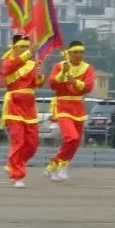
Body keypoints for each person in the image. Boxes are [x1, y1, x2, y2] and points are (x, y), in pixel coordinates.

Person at [0, 34, 42, 187]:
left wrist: (40, 75)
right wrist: (30, 53)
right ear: (14, 48)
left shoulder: (32, 64)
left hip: (29, 106)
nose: (25, 50)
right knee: (18, 141)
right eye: (21, 47)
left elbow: (36, 84)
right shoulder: (7, 62)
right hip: (14, 105)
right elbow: (9, 69)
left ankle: (14, 162)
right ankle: (17, 175)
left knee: (32, 144)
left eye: (26, 47)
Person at [46, 41, 96, 182]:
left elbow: (89, 86)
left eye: (81, 52)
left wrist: (75, 82)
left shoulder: (88, 68)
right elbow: (52, 84)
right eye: (75, 52)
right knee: (71, 137)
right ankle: (62, 164)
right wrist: (62, 73)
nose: (79, 55)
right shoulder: (59, 66)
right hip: (62, 104)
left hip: (78, 106)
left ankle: (54, 165)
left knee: (76, 141)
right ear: (69, 53)